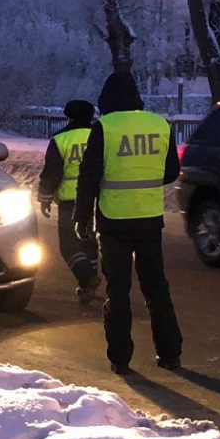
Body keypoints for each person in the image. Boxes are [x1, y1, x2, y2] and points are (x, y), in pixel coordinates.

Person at [76, 70, 183, 374]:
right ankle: (171, 354)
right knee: (157, 287)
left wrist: (81, 217)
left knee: (118, 290)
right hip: (149, 219)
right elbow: (172, 171)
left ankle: (120, 358)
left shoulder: (104, 128)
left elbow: (89, 177)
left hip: (114, 221)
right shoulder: (159, 125)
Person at [37, 99, 99, 306]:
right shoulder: (101, 135)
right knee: (90, 242)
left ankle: (87, 279)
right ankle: (89, 281)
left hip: (71, 201)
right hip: (99, 199)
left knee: (69, 247)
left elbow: (52, 174)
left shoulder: (60, 139)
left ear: (68, 116)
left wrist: (45, 198)